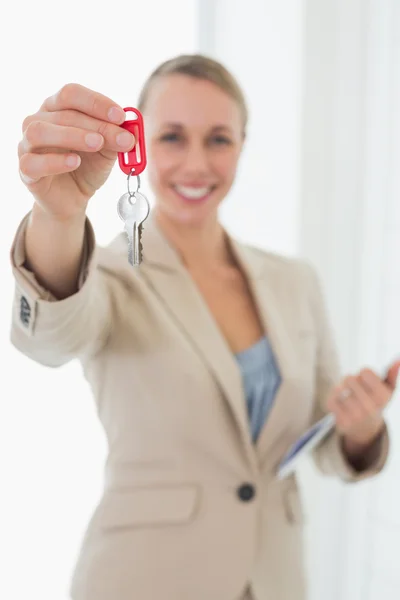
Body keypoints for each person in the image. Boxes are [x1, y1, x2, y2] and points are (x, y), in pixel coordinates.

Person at [10, 54, 399, 600]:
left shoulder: (295, 281)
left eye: (219, 139)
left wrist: (360, 429)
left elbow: (324, 436)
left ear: (242, 144)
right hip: (146, 580)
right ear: (137, 144)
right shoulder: (111, 272)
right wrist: (59, 216)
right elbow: (50, 338)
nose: (197, 163)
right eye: (171, 137)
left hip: (275, 579)